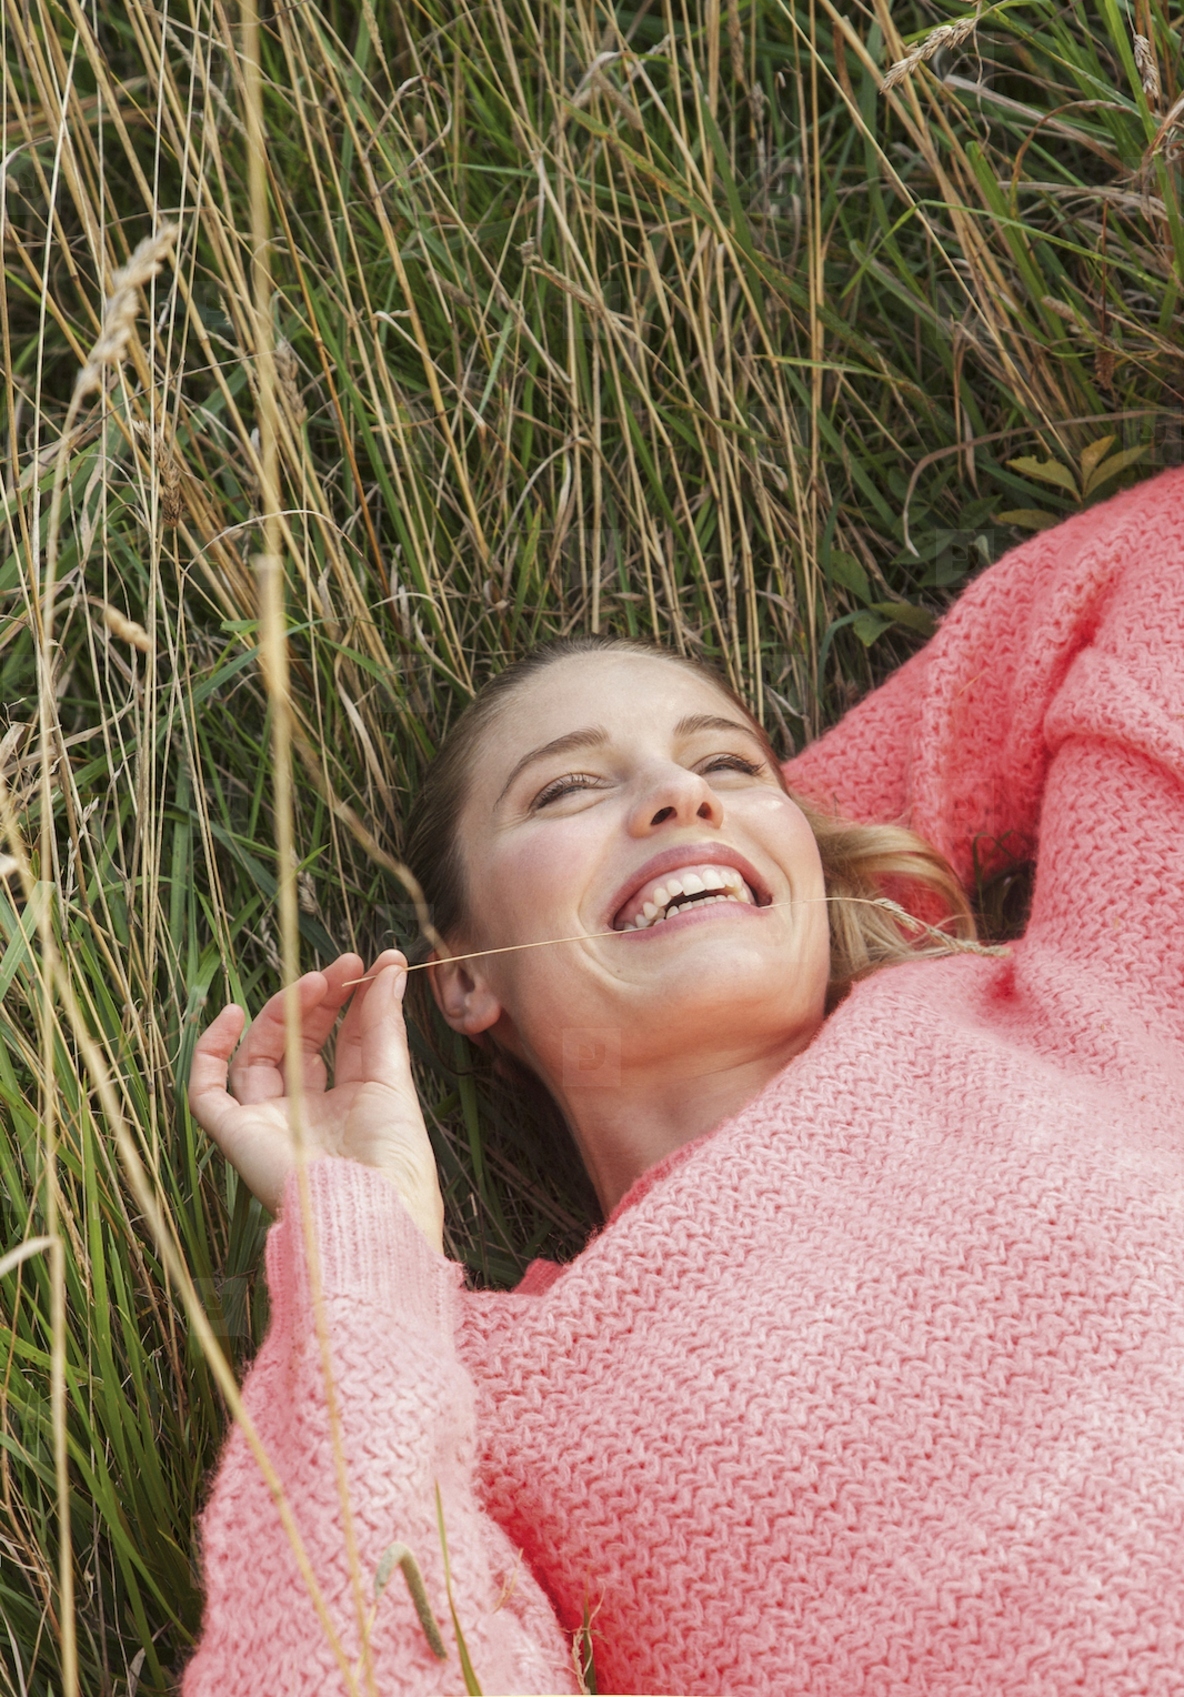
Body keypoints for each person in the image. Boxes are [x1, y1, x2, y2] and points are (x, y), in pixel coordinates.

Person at [184, 472, 1184, 1697]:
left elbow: (1160, 558)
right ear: (461, 983)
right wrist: (362, 1239)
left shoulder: (1077, 1003)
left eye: (723, 759)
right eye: (564, 788)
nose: (677, 789)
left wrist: (787, 862)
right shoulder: (472, 1390)